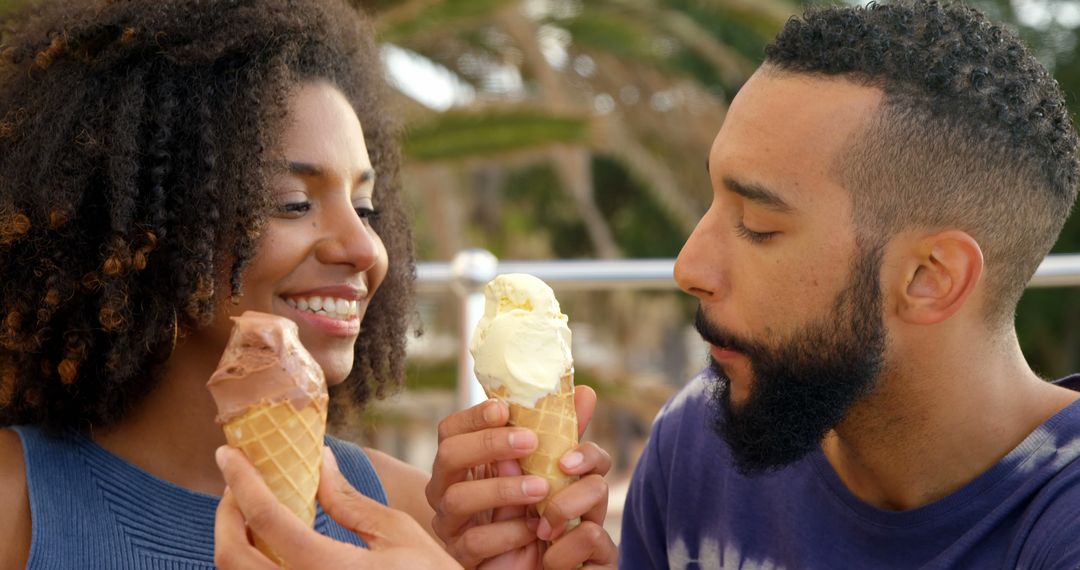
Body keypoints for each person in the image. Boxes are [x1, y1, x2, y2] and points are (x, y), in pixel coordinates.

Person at [0, 1, 614, 568]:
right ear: (141, 228)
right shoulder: (16, 507)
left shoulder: (421, 523)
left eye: (367, 208)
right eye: (293, 202)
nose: (363, 248)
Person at [616, 1, 1080, 568]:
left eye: (758, 226)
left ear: (929, 278)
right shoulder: (702, 439)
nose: (688, 268)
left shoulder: (1060, 527)